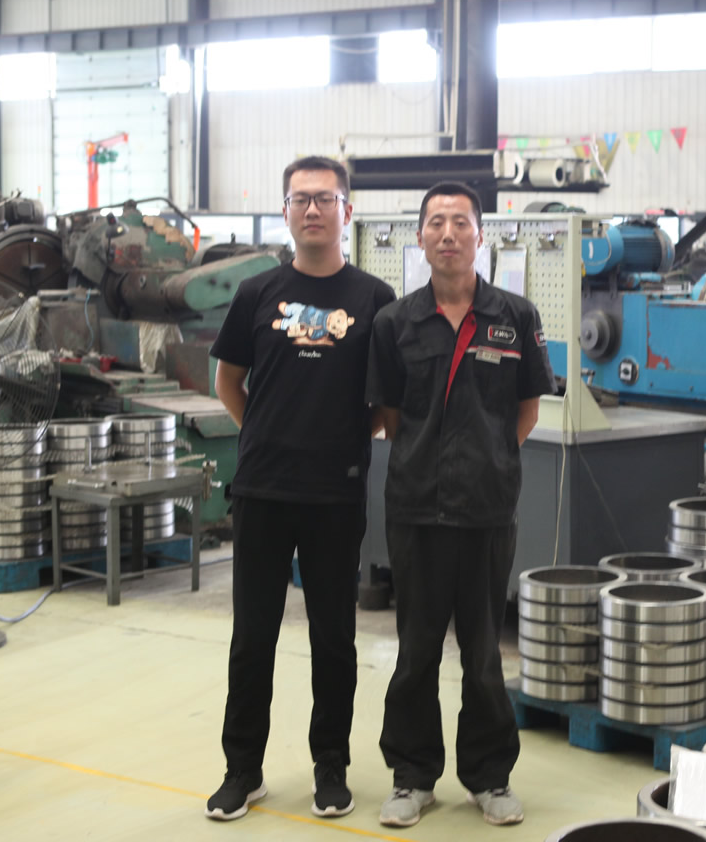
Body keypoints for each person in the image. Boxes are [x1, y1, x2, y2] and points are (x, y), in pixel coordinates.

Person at [205, 156, 395, 822]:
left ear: (347, 211)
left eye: (324, 198)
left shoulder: (375, 299)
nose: (312, 209)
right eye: (300, 199)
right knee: (252, 637)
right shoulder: (256, 293)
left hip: (335, 494)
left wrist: (339, 442)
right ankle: (242, 770)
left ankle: (330, 767)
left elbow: (385, 406)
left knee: (333, 640)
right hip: (262, 489)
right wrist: (265, 433)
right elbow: (228, 381)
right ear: (285, 211)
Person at [367, 181, 554, 828]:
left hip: (486, 510)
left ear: (481, 235)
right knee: (416, 650)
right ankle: (412, 777)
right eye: (436, 223)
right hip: (415, 507)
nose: (448, 234)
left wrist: (487, 459)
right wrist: (433, 460)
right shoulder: (394, 323)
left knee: (483, 653)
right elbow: (391, 417)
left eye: (460, 222)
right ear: (420, 237)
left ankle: (489, 776)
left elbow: (526, 411)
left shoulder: (516, 317)